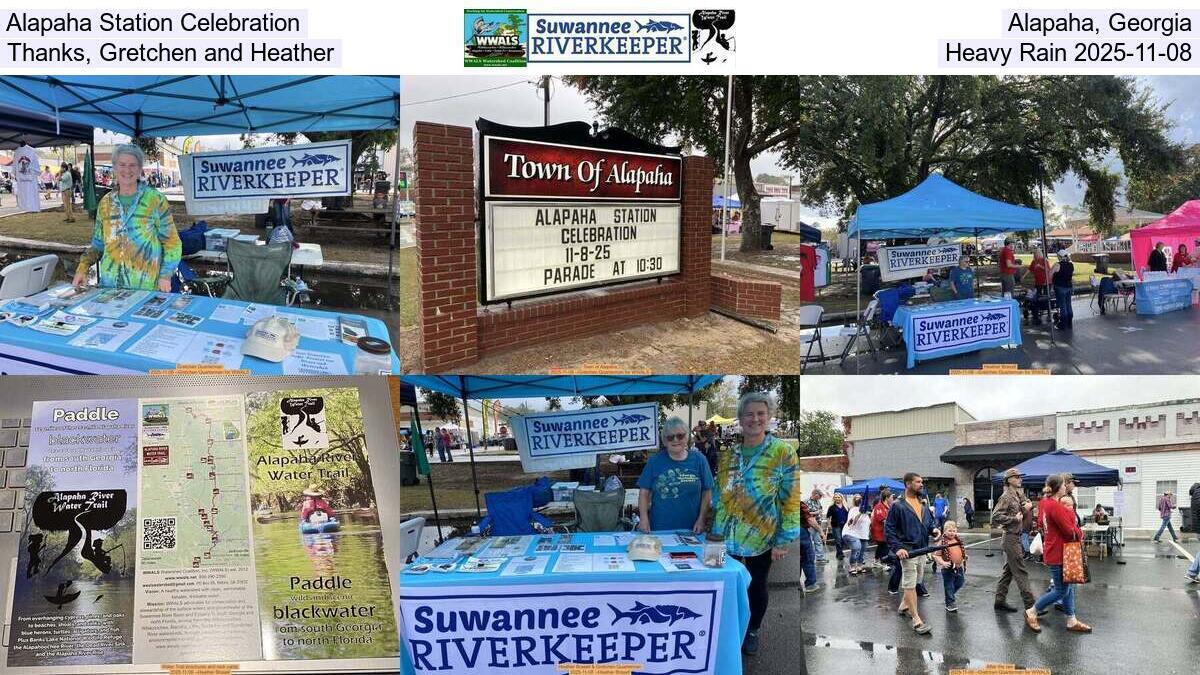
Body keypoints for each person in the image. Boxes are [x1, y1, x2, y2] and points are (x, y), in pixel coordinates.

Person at [711, 391, 805, 655]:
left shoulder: (783, 452)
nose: (755, 419)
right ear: (740, 418)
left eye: (760, 414)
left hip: (761, 535)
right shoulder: (729, 455)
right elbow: (719, 494)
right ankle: (729, 628)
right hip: (725, 535)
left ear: (769, 417)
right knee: (726, 583)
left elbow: (790, 497)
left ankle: (752, 630)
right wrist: (711, 529)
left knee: (756, 585)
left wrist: (783, 539)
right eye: (749, 414)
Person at [72, 144, 181, 291]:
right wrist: (82, 267)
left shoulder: (155, 200)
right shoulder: (105, 203)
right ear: (115, 168)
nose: (127, 170)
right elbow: (98, 245)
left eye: (132, 165)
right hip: (110, 288)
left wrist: (165, 276)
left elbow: (172, 243)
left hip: (146, 288)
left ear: (139, 168)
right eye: (122, 164)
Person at [1026, 473, 1091, 633]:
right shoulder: (1055, 506)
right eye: (1063, 485)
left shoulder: (1045, 503)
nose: (1065, 487)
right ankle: (1032, 611)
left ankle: (1071, 619)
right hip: (1059, 552)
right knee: (1061, 590)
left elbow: (1041, 523)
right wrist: (1078, 528)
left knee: (1066, 587)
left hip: (1054, 549)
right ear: (1057, 488)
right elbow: (1071, 532)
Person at [636, 416, 714, 533]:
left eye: (680, 436)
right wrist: (643, 519)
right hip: (659, 529)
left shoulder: (699, 460)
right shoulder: (654, 461)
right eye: (670, 437)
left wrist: (702, 519)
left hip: (692, 530)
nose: (675, 440)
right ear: (665, 441)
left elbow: (707, 492)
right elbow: (643, 493)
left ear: (687, 437)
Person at [886, 472, 939, 634]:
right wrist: (898, 548)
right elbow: (889, 530)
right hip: (908, 552)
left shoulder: (923, 504)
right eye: (918, 482)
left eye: (922, 482)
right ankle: (916, 618)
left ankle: (903, 606)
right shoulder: (898, 505)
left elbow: (929, 524)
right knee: (910, 584)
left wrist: (934, 530)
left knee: (917, 581)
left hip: (922, 550)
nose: (921, 484)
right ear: (908, 484)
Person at [991, 467, 1037, 613]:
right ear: (1009, 480)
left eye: (1020, 477)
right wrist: (1013, 519)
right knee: (1021, 571)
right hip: (1010, 537)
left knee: (1008, 572)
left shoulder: (1018, 494)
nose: (1020, 479)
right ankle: (1031, 606)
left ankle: (999, 601)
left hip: (1015, 536)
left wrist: (1029, 506)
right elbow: (995, 517)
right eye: (1017, 477)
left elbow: (1026, 507)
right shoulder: (1006, 497)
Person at [932, 520, 968, 612]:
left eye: (954, 531)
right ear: (945, 531)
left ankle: (949, 595)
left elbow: (961, 550)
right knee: (949, 586)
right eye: (949, 531)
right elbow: (936, 555)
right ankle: (950, 603)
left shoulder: (957, 540)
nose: (952, 533)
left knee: (960, 582)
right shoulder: (942, 542)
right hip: (948, 569)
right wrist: (943, 563)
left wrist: (964, 556)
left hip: (959, 567)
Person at [844, 494, 871, 574]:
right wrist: (860, 513)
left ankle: (859, 566)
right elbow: (851, 522)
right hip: (853, 533)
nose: (858, 500)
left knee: (862, 551)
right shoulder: (853, 510)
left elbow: (868, 522)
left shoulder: (866, 512)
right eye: (856, 498)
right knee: (856, 548)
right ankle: (852, 566)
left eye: (860, 498)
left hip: (863, 534)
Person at [1022, 250, 1051, 324]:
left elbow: (1048, 269)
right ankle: (1037, 311)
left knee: (1045, 296)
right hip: (1038, 282)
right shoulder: (1034, 261)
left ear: (1039, 254)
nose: (1035, 256)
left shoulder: (1044, 260)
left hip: (1045, 282)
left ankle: (1047, 310)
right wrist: (1024, 276)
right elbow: (1030, 269)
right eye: (1034, 255)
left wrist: (1040, 266)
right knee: (1037, 297)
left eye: (1036, 254)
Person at [1051, 251, 1075, 330]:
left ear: (1060, 256)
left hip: (1060, 286)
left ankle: (1063, 324)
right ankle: (1069, 323)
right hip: (1068, 286)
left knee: (1063, 306)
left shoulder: (1057, 265)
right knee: (1068, 305)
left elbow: (1050, 273)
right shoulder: (1071, 265)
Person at [870, 489, 892, 571]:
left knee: (881, 546)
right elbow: (881, 518)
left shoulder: (887, 507)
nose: (892, 499)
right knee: (884, 546)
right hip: (879, 531)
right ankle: (884, 563)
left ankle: (875, 561)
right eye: (891, 497)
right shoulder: (879, 506)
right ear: (886, 498)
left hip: (884, 531)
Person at [806, 489, 829, 565]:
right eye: (819, 496)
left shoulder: (817, 502)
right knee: (809, 542)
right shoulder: (807, 501)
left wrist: (820, 512)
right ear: (815, 494)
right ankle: (808, 558)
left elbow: (820, 509)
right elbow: (806, 513)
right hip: (810, 525)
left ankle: (820, 558)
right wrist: (816, 512)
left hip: (817, 524)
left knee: (818, 541)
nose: (820, 498)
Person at [826, 493, 849, 561]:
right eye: (835, 497)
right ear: (834, 499)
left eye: (838, 497)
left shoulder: (845, 506)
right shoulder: (832, 507)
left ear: (841, 498)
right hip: (836, 525)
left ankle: (838, 552)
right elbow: (828, 517)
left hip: (844, 525)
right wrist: (829, 524)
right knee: (838, 539)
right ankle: (840, 554)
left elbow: (849, 515)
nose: (837, 498)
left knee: (842, 539)